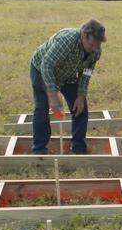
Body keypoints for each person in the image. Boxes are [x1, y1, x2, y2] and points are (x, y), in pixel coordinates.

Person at [29, 19, 105, 154]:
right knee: (42, 108)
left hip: (67, 74)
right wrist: (52, 96)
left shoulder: (96, 51)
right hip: (42, 70)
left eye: (97, 46)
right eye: (91, 45)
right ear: (83, 35)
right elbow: (47, 66)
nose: (94, 49)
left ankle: (78, 147)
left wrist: (81, 95)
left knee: (80, 108)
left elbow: (86, 73)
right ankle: (39, 150)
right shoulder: (66, 41)